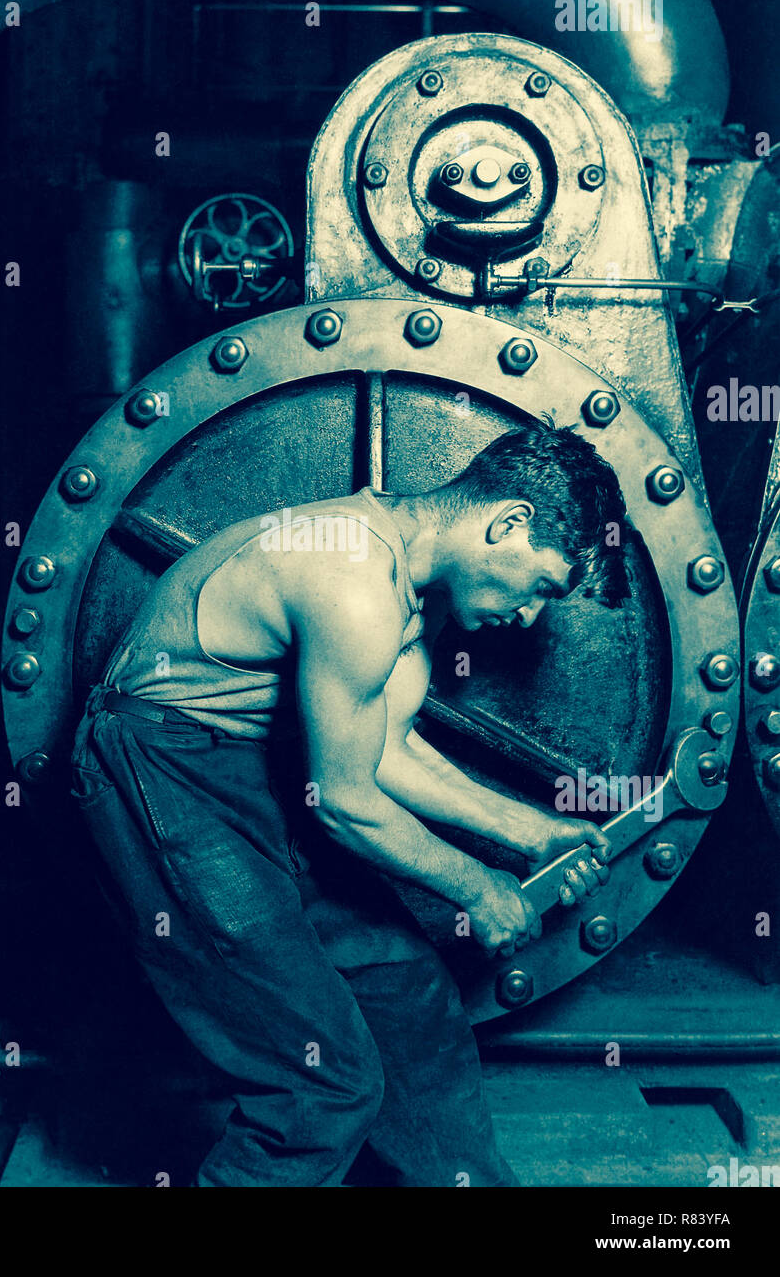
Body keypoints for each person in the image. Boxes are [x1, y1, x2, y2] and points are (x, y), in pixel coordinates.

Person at [71, 420, 627, 1186]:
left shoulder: (413, 589)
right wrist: (479, 886)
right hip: (164, 771)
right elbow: (341, 798)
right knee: (323, 1083)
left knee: (410, 1003)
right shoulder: (352, 579)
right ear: (507, 523)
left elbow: (386, 749)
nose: (529, 617)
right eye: (540, 587)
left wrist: (534, 832)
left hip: (257, 767)